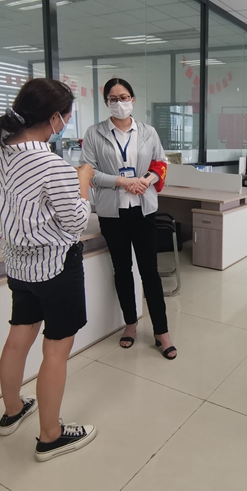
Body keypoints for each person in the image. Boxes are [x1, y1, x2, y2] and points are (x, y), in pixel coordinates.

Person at [0, 78, 97, 461]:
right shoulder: (51, 165)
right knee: (56, 350)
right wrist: (83, 180)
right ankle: (50, 435)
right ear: (55, 118)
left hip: (17, 265)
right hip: (57, 266)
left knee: (19, 335)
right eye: (67, 117)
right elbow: (76, 221)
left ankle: (13, 410)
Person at [80, 78, 175, 359]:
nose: (119, 103)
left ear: (132, 100)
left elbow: (160, 163)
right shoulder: (94, 133)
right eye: (113, 98)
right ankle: (130, 323)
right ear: (106, 102)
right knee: (122, 270)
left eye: (123, 97)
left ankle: (161, 331)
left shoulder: (148, 132)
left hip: (144, 209)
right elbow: (88, 172)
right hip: (113, 212)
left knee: (150, 272)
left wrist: (145, 180)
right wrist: (122, 181)